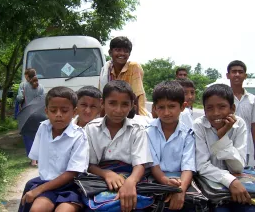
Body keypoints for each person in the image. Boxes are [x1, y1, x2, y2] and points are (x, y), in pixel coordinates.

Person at [86, 80, 153, 212]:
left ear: (132, 106)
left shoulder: (137, 130)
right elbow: (88, 164)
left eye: (124, 104)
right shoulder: (91, 129)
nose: (118, 110)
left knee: (134, 203)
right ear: (102, 103)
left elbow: (140, 164)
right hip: (100, 177)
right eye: (112, 103)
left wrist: (131, 182)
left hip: (131, 175)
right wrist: (106, 174)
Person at [18, 86, 89, 212]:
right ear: (46, 111)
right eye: (53, 110)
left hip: (71, 186)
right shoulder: (43, 128)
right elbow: (38, 158)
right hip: (47, 184)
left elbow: (72, 173)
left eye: (64, 110)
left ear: (74, 112)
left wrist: (38, 190)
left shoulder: (79, 135)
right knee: (37, 209)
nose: (58, 115)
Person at [194, 84, 254, 211]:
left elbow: (238, 167)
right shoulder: (199, 125)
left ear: (232, 108)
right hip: (210, 188)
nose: (216, 113)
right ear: (204, 110)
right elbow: (202, 165)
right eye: (210, 108)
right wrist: (230, 181)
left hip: (237, 185)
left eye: (222, 107)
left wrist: (222, 137)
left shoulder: (240, 124)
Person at [147, 80, 196, 211]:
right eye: (161, 107)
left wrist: (181, 190)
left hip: (181, 180)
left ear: (182, 107)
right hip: (156, 179)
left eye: (171, 106)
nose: (166, 112)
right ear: (155, 108)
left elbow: (188, 166)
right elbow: (153, 164)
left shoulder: (188, 134)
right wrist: (165, 182)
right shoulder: (147, 132)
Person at [99, 36, 148, 116]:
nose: (122, 53)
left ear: (129, 54)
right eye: (118, 50)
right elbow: (102, 95)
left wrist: (136, 121)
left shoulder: (133, 67)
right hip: (113, 115)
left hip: (133, 114)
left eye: (126, 51)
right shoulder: (106, 70)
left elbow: (136, 96)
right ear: (110, 52)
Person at [226, 60, 255, 167]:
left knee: (242, 176)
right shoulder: (222, 98)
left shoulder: (252, 100)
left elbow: (253, 126)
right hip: (225, 146)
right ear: (228, 75)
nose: (237, 74)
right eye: (234, 72)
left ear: (245, 75)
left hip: (245, 147)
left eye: (240, 72)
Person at [17, 74, 44, 166]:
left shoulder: (23, 85)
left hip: (27, 114)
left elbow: (19, 98)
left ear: (27, 77)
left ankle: (33, 160)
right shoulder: (41, 87)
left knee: (28, 136)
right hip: (40, 113)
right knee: (40, 136)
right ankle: (40, 159)